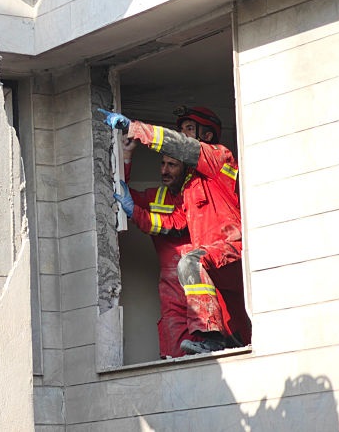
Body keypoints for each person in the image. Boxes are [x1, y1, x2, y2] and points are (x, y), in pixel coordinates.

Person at [99, 105, 251, 354]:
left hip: (231, 250)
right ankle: (213, 341)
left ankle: (211, 337)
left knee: (191, 264)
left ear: (208, 135)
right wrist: (134, 210)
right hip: (211, 263)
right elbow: (176, 223)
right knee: (219, 330)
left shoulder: (218, 157)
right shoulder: (190, 187)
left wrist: (134, 128)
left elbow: (183, 147)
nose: (183, 135)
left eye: (189, 130)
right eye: (181, 130)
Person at [115, 143, 191, 358]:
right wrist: (126, 156)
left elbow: (177, 225)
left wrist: (137, 214)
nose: (164, 170)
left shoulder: (194, 194)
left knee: (201, 332)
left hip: (195, 272)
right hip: (170, 277)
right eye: (163, 164)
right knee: (173, 334)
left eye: (172, 165)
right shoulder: (157, 196)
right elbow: (122, 189)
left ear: (186, 170)